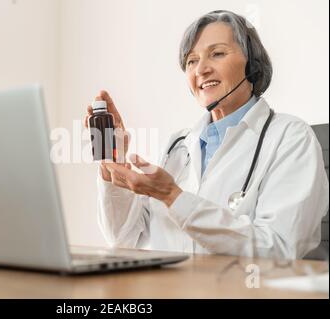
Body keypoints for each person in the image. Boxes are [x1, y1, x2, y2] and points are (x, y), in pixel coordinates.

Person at [84, 10, 329, 259]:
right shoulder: (178, 146)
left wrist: (172, 196)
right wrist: (113, 164)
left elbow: (279, 249)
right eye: (191, 61)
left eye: (217, 53)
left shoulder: (291, 137)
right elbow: (125, 239)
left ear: (252, 65)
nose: (201, 69)